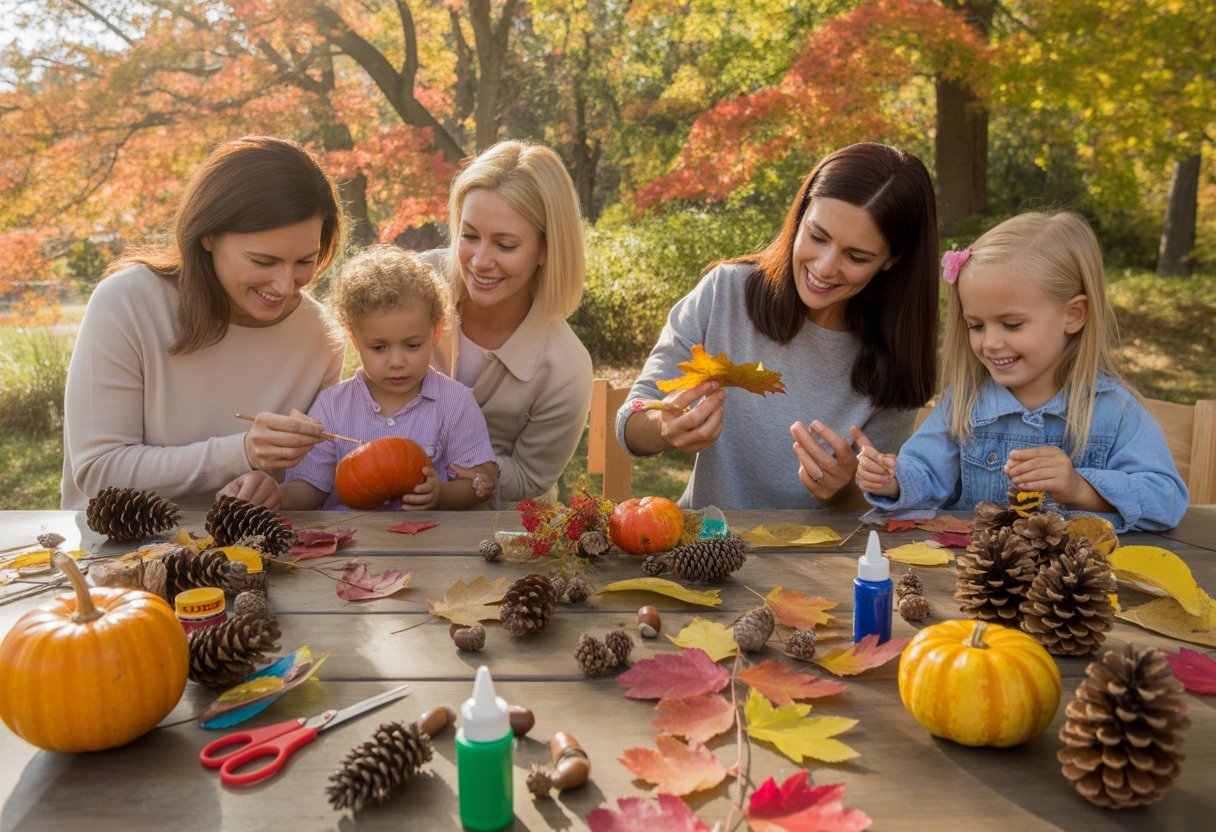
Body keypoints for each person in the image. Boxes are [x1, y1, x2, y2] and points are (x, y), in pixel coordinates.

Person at [615, 142, 939, 509]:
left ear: (891, 260)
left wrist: (845, 490)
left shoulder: (897, 352)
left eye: (856, 256)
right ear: (800, 215)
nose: (824, 267)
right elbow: (630, 421)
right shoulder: (725, 293)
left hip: (819, 563)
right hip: (704, 547)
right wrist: (663, 429)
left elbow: (874, 509)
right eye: (817, 237)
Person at [62, 136, 346, 511]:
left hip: (254, 554)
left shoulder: (320, 336)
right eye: (263, 261)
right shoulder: (128, 303)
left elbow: (312, 479)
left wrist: (275, 489)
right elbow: (99, 471)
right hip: (116, 553)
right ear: (208, 235)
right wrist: (240, 453)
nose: (284, 285)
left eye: (305, 261)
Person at [856, 211, 1187, 532]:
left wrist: (1079, 487)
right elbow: (925, 473)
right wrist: (892, 480)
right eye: (976, 325)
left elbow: (1166, 500)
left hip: (1076, 584)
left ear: (1073, 315)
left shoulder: (1115, 410)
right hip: (974, 581)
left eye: (1012, 325)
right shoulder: (965, 404)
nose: (991, 343)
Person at [224, 246, 497, 510]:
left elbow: (477, 482)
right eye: (379, 348)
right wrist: (279, 497)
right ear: (356, 342)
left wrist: (442, 495)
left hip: (425, 549)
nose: (397, 361)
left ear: (435, 335)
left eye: (413, 345)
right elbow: (310, 487)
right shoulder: (332, 407)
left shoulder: (455, 403)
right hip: (345, 544)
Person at [419, 140, 593, 504]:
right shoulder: (414, 283)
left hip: (501, 534)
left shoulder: (566, 367)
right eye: (469, 236)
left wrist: (443, 464)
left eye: (505, 245)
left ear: (546, 249)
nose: (480, 261)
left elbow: (529, 478)